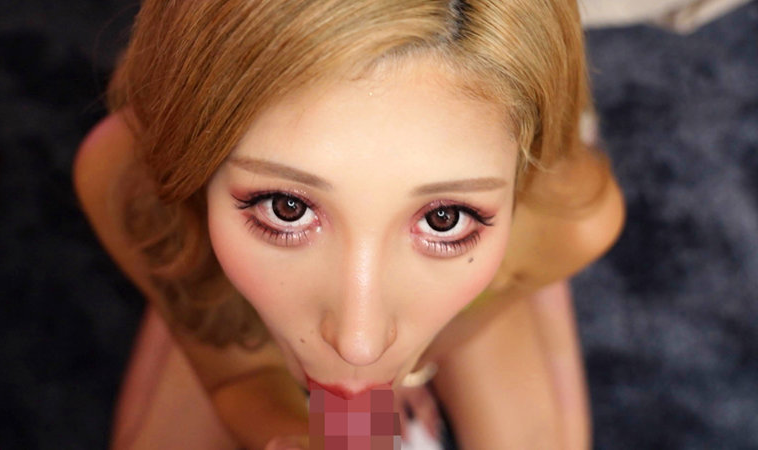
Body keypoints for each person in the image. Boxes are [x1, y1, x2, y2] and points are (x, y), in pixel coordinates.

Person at [74, 0, 625, 448]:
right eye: (286, 207)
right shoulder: (124, 179)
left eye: (444, 218)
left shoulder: (571, 226)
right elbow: (237, 377)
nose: (358, 342)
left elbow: (419, 349)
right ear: (191, 165)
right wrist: (309, 434)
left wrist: (381, 394)